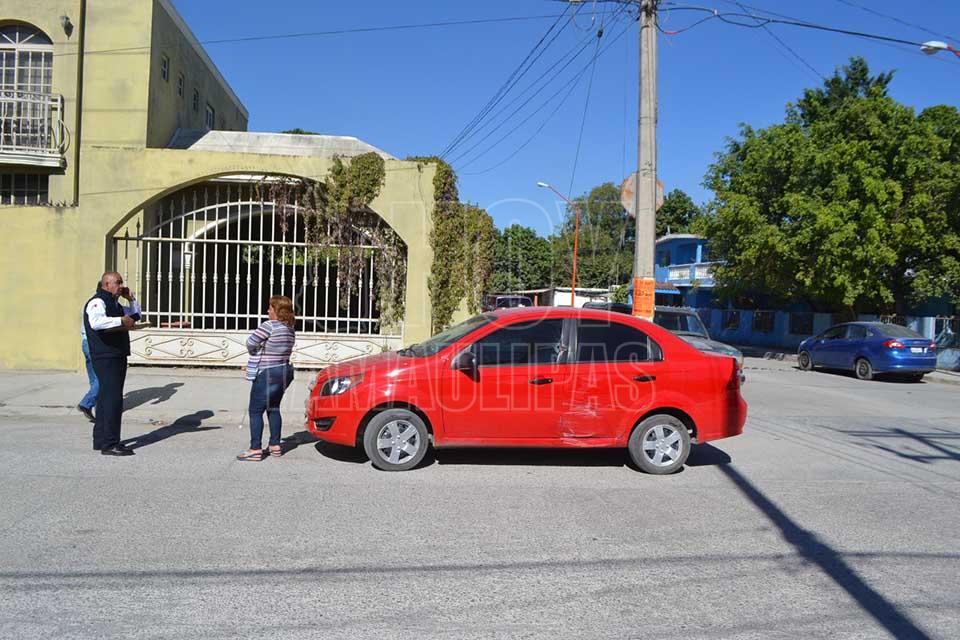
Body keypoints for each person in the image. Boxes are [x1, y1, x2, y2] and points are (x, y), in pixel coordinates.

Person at [84, 271, 141, 456]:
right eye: (118, 282)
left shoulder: (115, 304)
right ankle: (110, 443)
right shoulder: (98, 301)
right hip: (106, 356)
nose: (121, 286)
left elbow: (135, 315)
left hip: (116, 355)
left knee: (105, 398)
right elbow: (96, 322)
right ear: (106, 284)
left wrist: (131, 299)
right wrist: (121, 320)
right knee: (112, 400)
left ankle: (101, 439)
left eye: (121, 282)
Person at [236, 296, 296, 461]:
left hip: (267, 372)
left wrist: (259, 348)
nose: (268, 311)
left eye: (270, 308)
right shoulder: (290, 329)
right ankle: (275, 445)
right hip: (284, 371)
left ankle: (255, 449)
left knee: (255, 411)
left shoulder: (269, 326)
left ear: (277, 310)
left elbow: (250, 342)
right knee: (273, 408)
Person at [77, 285, 101, 422]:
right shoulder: (98, 304)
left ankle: (99, 410)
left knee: (94, 380)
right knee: (103, 379)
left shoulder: (91, 303)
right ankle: (86, 404)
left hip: (86, 342)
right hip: (93, 344)